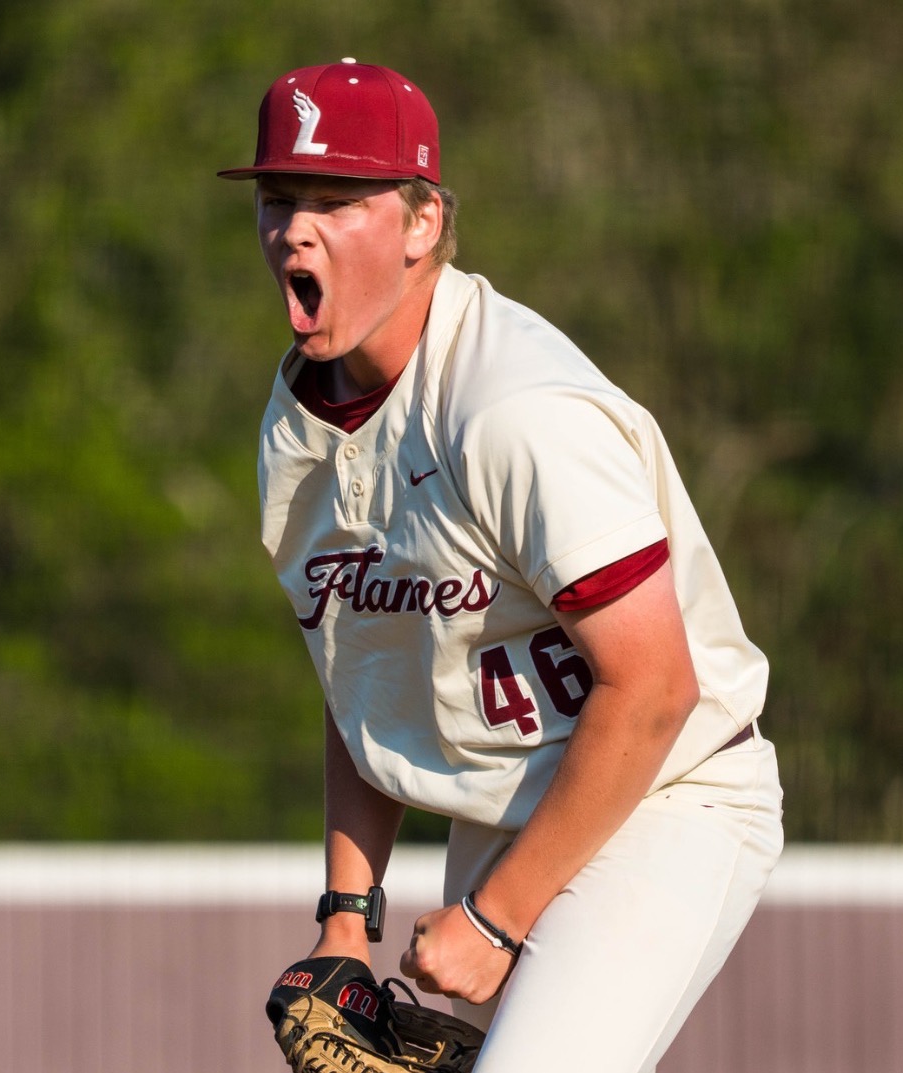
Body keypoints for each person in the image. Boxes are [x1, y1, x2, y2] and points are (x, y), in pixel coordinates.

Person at [221, 59, 784, 1073]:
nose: (292, 230)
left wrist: (493, 917)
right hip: (513, 801)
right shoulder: (298, 422)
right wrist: (346, 919)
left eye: (336, 201)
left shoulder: (513, 411)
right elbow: (365, 679)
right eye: (277, 199)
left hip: (668, 789)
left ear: (422, 223)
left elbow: (654, 684)